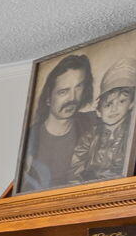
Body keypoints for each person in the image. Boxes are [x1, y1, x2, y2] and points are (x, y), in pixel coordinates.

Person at [21, 53, 98, 191]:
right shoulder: (30, 139)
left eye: (78, 87)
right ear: (48, 98)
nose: (73, 98)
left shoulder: (93, 122)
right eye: (63, 92)